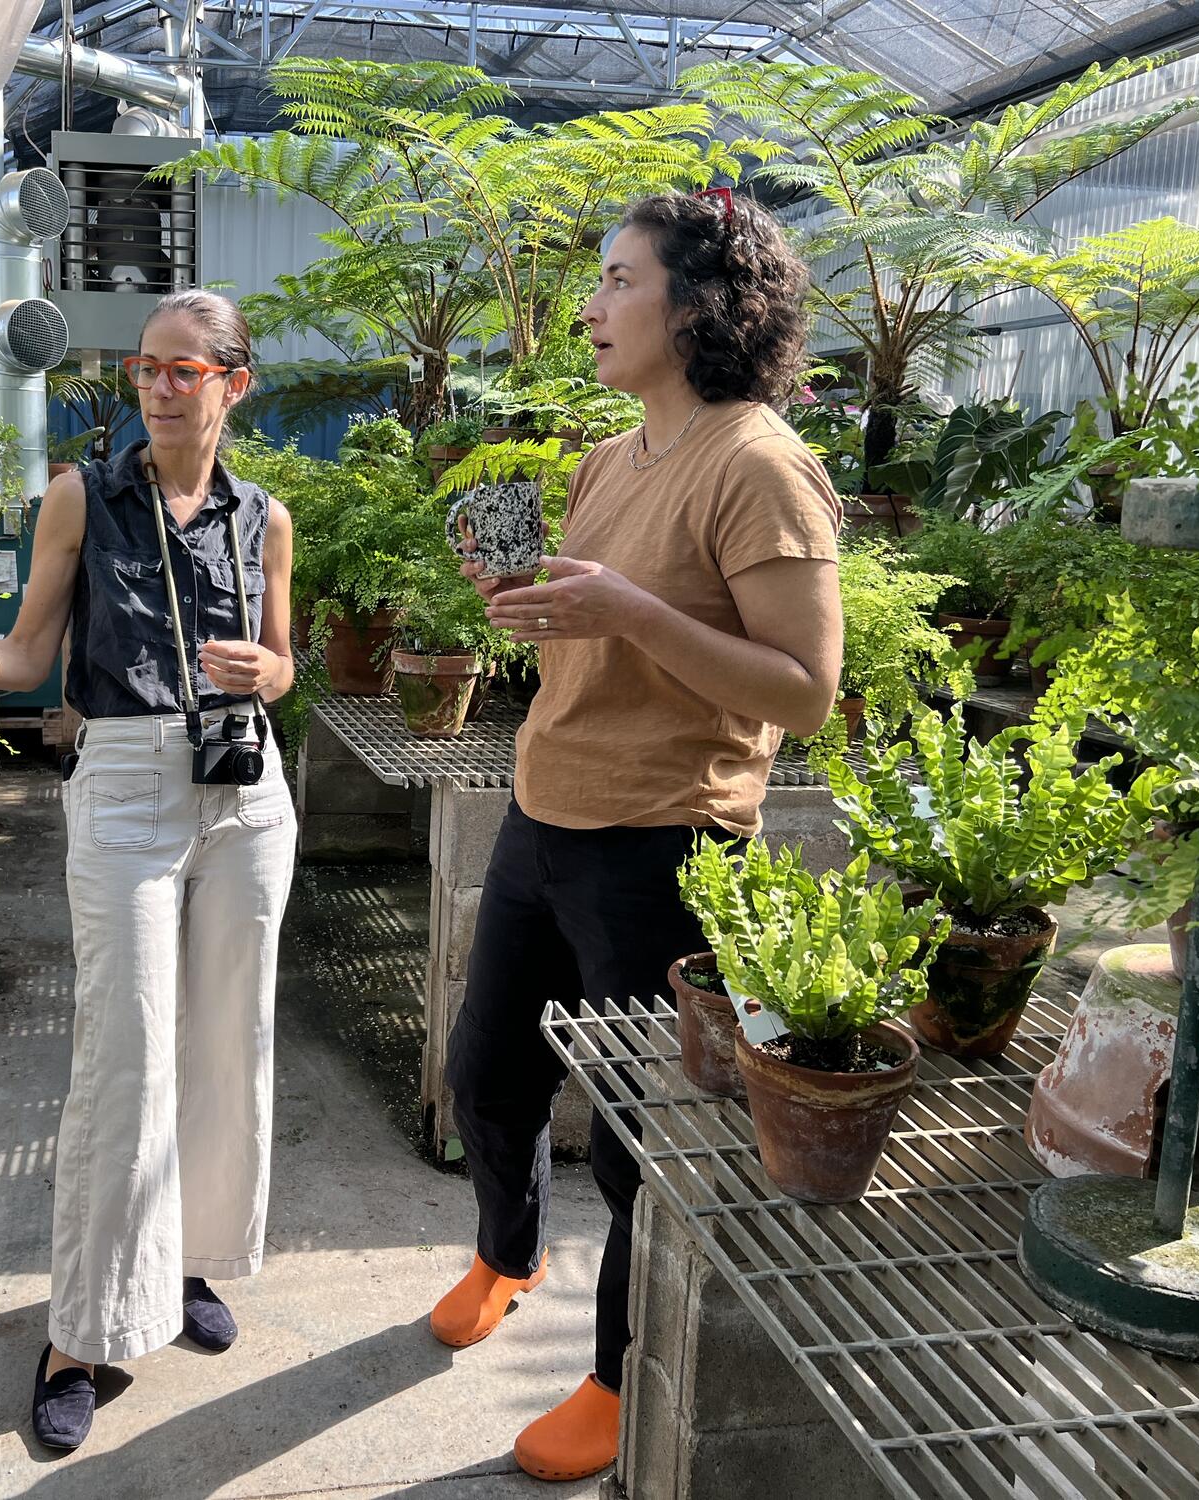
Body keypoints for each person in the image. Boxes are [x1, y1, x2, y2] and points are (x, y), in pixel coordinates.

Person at [432, 190, 844, 1482]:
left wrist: (627, 612)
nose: (591, 306)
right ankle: (507, 1253)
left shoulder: (760, 464)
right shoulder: (613, 457)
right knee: (487, 1082)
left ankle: (617, 1375)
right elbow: (597, 629)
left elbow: (804, 691)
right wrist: (534, 607)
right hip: (544, 811)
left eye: (617, 280)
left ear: (700, 304)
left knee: (633, 1140)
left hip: (665, 846)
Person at [0, 290, 298, 1452]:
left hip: (246, 794)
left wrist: (269, 672)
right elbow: (30, 651)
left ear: (231, 385)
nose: (155, 384)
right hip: (129, 780)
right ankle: (81, 1332)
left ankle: (187, 1264)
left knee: (225, 1039)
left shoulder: (264, 517)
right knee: (125, 1055)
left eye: (182, 370)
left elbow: (286, 667)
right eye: (145, 365)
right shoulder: (79, 497)